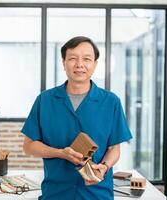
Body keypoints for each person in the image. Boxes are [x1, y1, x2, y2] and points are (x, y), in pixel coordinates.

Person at [21, 36, 132, 200]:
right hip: (56, 194)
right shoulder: (45, 100)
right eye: (72, 58)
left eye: (87, 59)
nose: (80, 64)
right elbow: (29, 146)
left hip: (97, 195)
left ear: (95, 64)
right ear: (63, 63)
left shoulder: (111, 102)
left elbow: (114, 148)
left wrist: (104, 166)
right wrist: (60, 153)